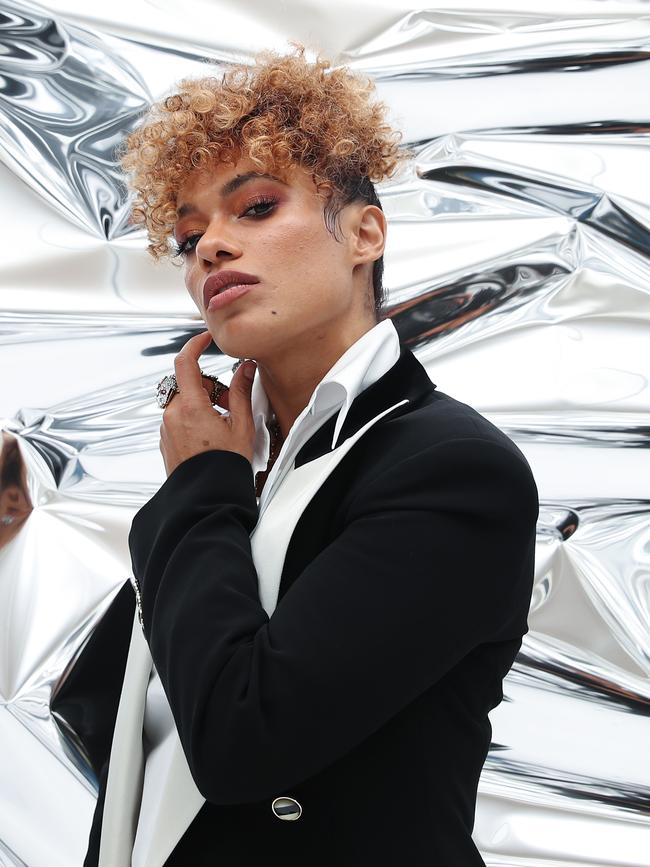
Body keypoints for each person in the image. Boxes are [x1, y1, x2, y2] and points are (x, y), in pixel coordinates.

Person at [51, 42, 539, 866]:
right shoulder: (243, 468)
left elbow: (246, 740)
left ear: (364, 232)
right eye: (188, 234)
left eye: (255, 207)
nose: (208, 248)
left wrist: (201, 487)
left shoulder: (452, 466)